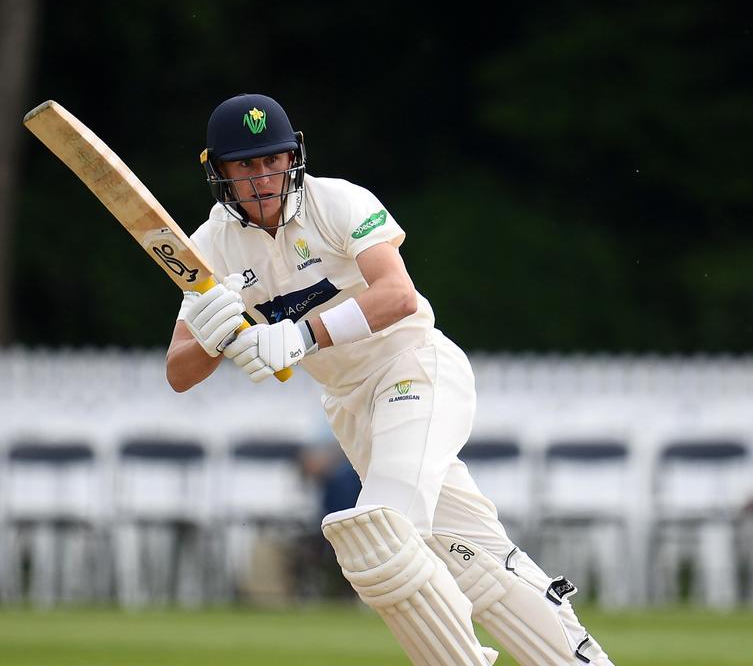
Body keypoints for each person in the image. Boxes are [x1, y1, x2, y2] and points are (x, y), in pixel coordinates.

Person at [167, 94, 611, 666]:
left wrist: (302, 335)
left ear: (293, 157)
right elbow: (180, 372)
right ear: (220, 172)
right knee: (471, 557)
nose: (264, 177)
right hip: (350, 407)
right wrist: (212, 333)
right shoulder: (209, 248)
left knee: (380, 532)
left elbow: (398, 295)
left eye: (273, 160)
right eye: (246, 166)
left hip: (414, 369)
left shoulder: (338, 203)